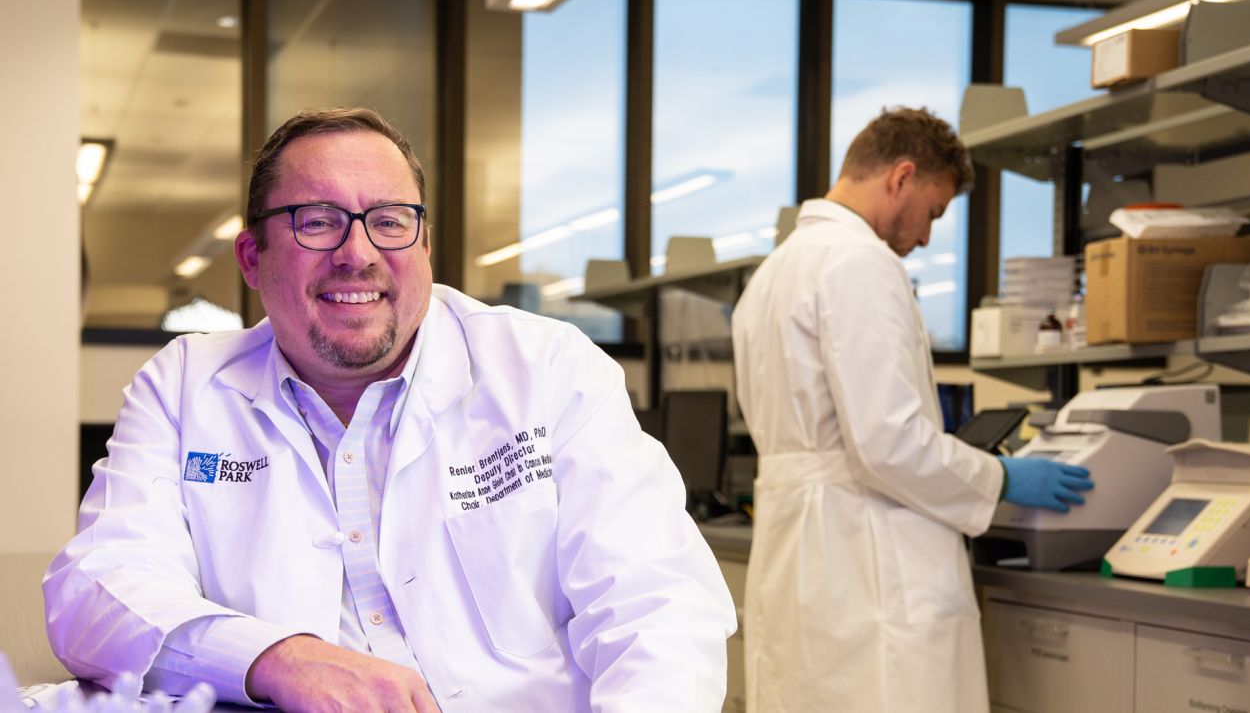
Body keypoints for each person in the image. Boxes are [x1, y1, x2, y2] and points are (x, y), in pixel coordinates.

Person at [44, 107, 736, 712]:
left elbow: (656, 604)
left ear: (425, 246)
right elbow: (95, 591)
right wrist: (277, 657)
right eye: (316, 222)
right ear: (252, 257)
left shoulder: (545, 368)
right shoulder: (186, 386)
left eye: (390, 221)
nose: (359, 253)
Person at [731, 107, 1093, 712]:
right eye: (934, 211)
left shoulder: (774, 272)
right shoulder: (859, 262)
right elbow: (888, 443)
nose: (926, 236)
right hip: (865, 558)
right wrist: (1002, 475)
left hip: (802, 552)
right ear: (901, 176)